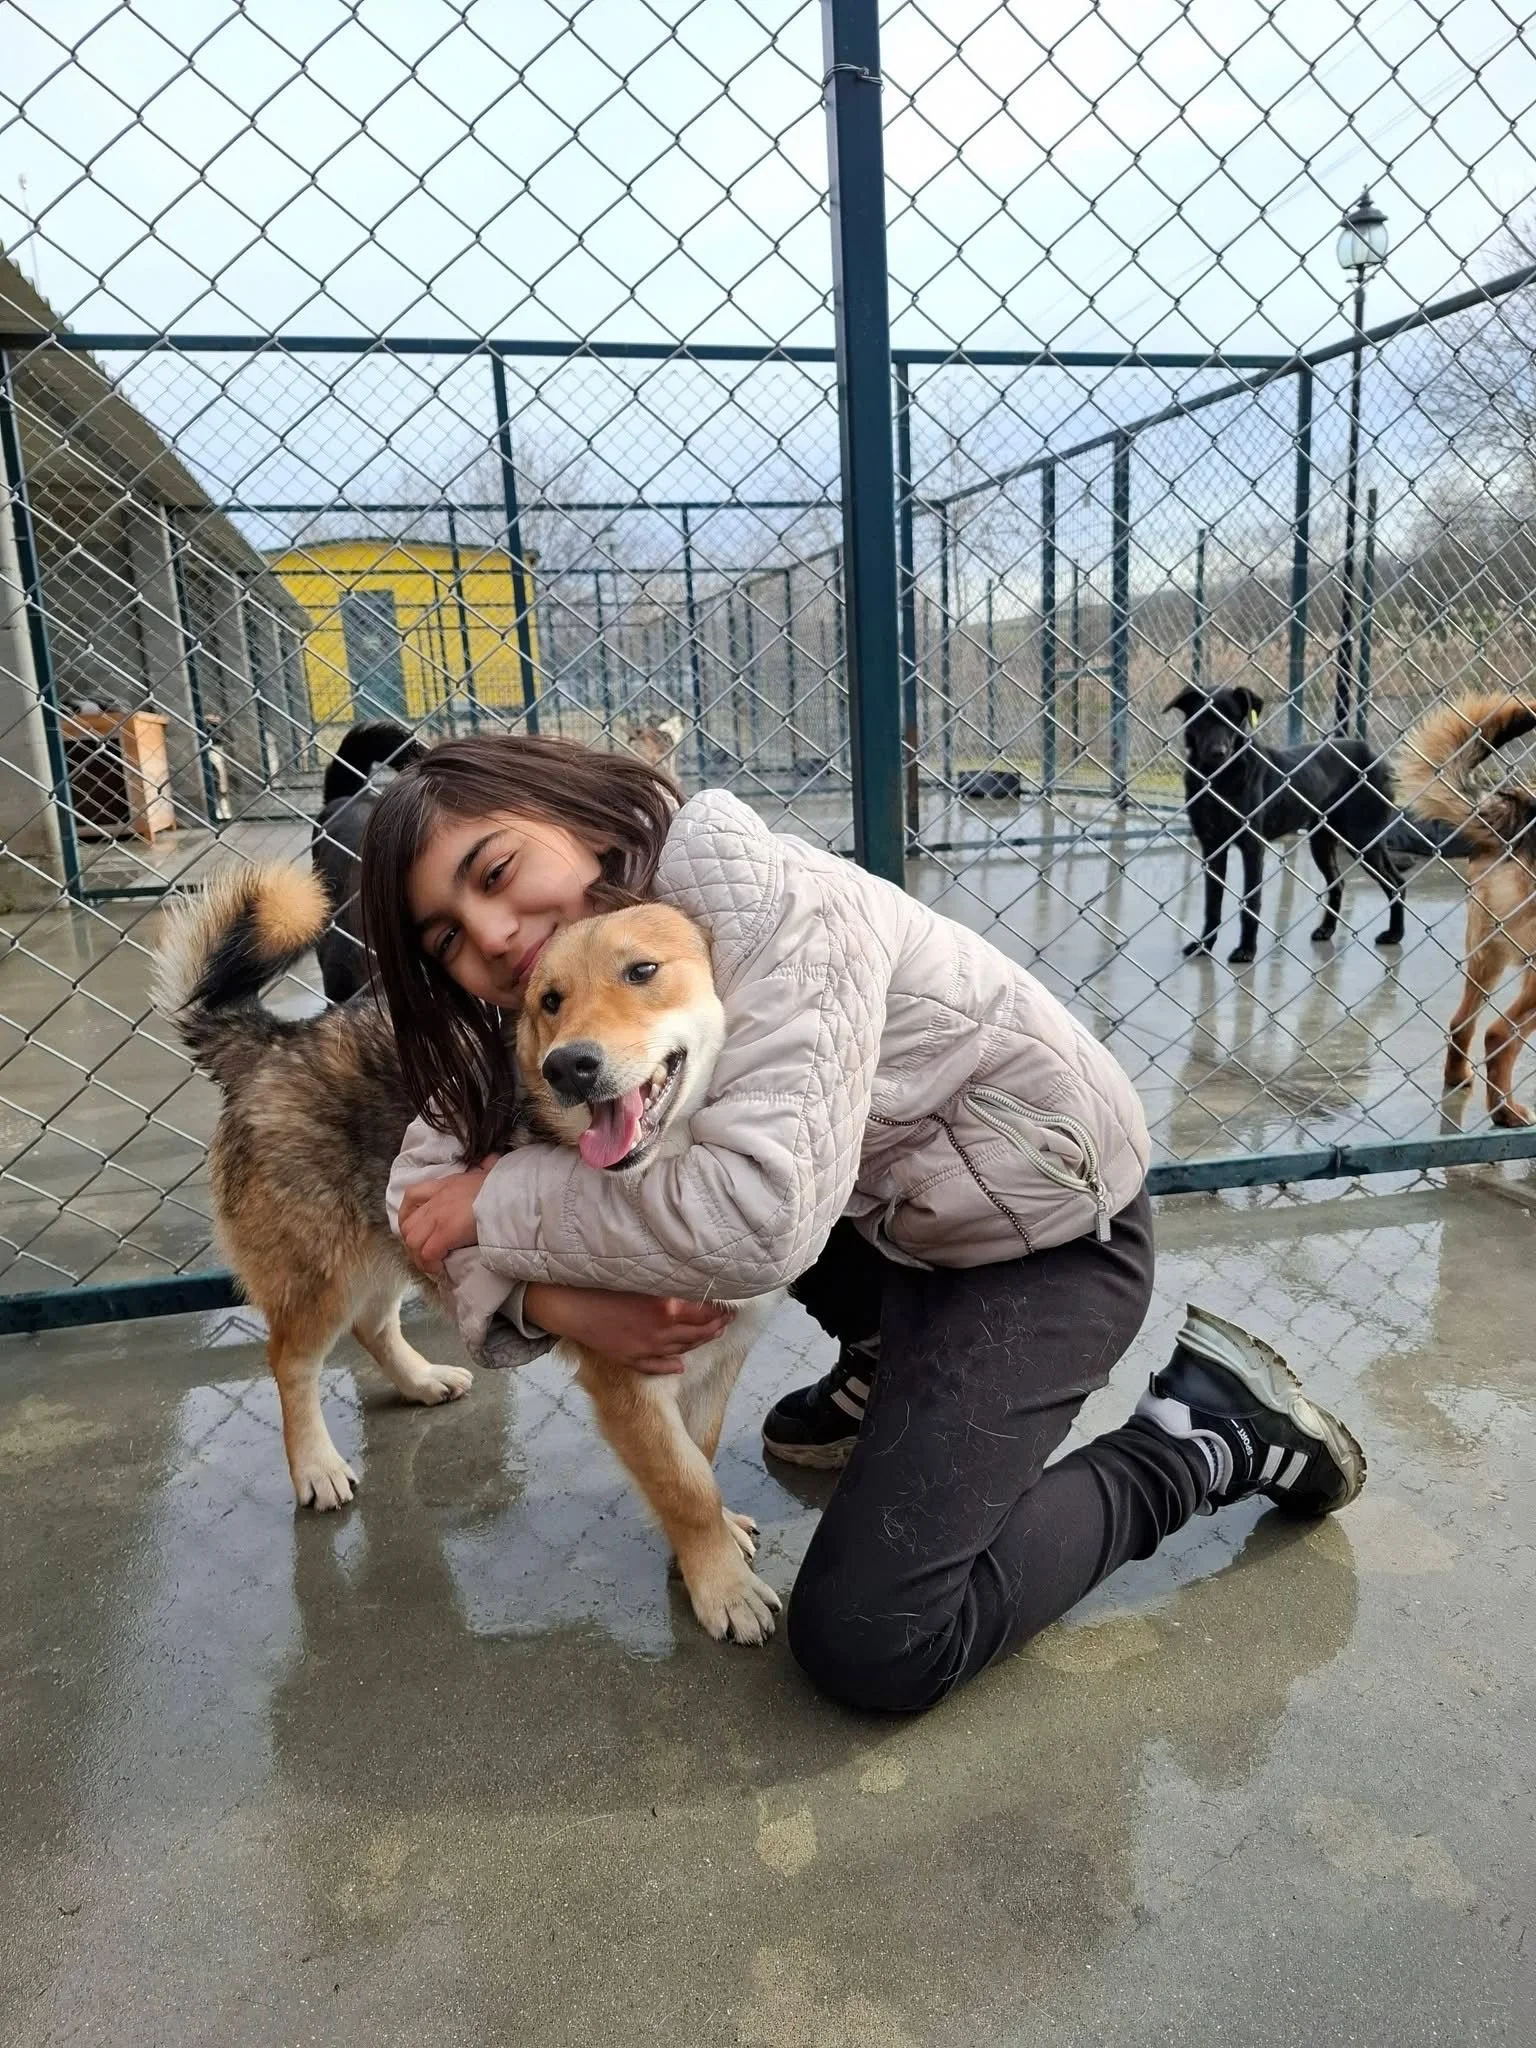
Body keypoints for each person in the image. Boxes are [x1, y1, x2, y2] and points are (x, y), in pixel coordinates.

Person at [363, 733, 1365, 1715]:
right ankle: (891, 1352)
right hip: (899, 1218)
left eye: (495, 870)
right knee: (673, 1167)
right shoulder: (553, 996)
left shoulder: (780, 909)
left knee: (872, 1637)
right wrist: (551, 1297)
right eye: (447, 935)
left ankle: (1203, 1436)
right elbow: (418, 1200)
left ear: (578, 815)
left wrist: (499, 1204)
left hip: (1046, 1236)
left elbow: (759, 1221)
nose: (490, 931)